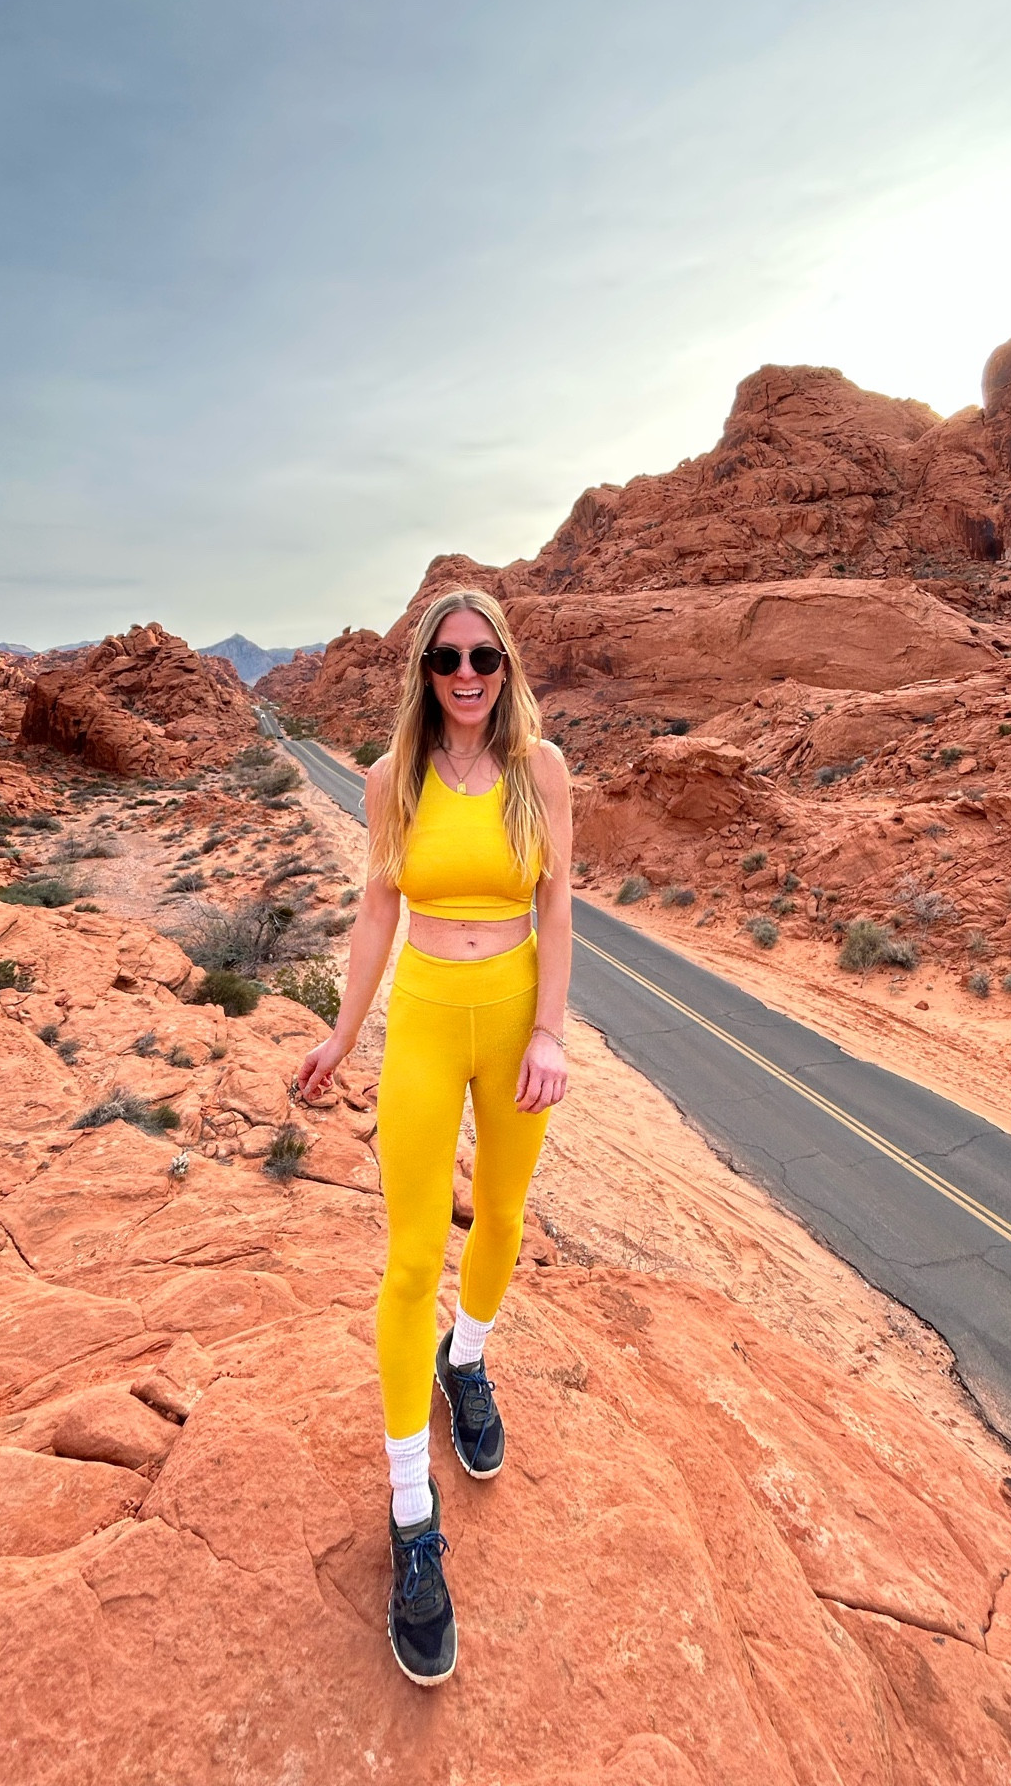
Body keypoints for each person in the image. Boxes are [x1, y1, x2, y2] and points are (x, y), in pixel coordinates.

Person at [297, 587, 572, 1687]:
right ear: (423, 669)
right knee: (414, 1254)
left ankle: (472, 1358)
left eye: (486, 657)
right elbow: (377, 909)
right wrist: (341, 1030)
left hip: (512, 1020)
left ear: (507, 666)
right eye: (448, 659)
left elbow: (557, 906)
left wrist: (550, 1029)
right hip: (421, 1016)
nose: (468, 675)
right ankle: (413, 1509)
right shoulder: (388, 780)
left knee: (500, 1213)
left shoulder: (541, 772)